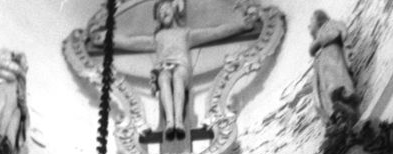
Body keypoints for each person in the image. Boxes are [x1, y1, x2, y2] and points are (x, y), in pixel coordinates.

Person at [83, 0, 262, 141]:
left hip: (181, 66)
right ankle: (170, 122)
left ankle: (178, 121)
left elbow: (215, 32)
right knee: (163, 80)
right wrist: (106, 38)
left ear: (174, 11)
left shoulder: (186, 34)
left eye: (166, 9)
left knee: (177, 79)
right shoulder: (158, 37)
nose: (163, 13)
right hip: (163, 67)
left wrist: (241, 26)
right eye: (160, 12)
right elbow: (130, 42)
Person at [308, 11, 359, 124]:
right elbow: (311, 50)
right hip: (324, 63)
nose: (308, 26)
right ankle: (334, 113)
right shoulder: (319, 52)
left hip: (332, 56)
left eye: (311, 21)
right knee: (326, 87)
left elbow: (336, 33)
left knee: (335, 80)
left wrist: (319, 42)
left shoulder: (329, 25)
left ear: (319, 20)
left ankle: (344, 100)